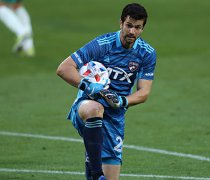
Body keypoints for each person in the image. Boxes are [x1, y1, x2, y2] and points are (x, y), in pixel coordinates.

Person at [56, 3, 156, 180]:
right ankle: (96, 172)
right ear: (121, 23)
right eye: (129, 25)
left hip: (115, 115)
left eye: (138, 27)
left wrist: (121, 101)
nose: (132, 31)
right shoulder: (103, 44)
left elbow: (144, 92)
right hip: (86, 105)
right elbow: (64, 68)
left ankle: (92, 162)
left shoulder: (147, 53)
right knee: (95, 109)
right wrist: (88, 86)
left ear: (143, 28)